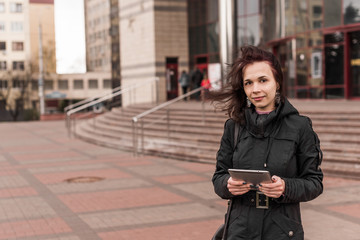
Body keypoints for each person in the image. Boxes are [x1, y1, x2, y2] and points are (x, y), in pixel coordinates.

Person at [210, 46, 323, 239]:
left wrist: (285, 187)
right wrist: (227, 185)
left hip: (281, 231)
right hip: (239, 231)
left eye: (263, 80)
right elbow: (218, 177)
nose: (255, 89)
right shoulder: (234, 127)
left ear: (277, 82)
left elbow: (314, 182)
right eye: (248, 83)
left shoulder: (300, 126)